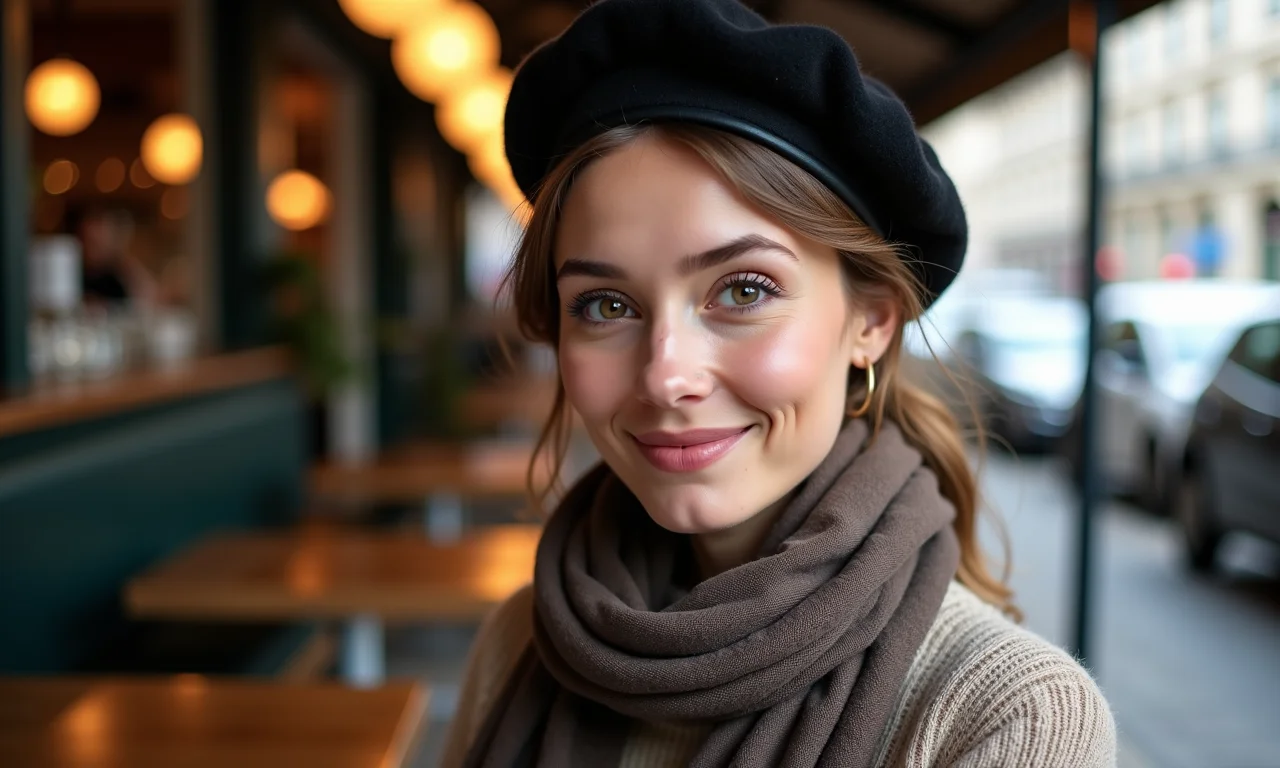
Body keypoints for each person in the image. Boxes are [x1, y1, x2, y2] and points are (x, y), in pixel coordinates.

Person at [442, 0, 1116, 766]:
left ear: (872, 320)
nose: (666, 376)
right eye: (605, 305)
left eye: (744, 291)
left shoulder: (1006, 714)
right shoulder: (521, 642)